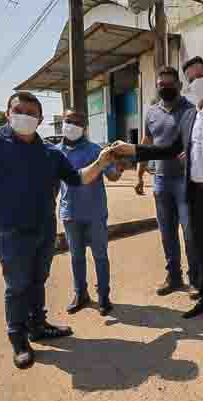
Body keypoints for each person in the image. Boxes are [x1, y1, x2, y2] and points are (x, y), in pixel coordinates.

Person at [0, 91, 116, 370]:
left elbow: (78, 179)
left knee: (37, 279)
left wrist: (102, 162)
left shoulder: (49, 152)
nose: (25, 117)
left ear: (41, 119)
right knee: (17, 285)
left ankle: (37, 325)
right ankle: (18, 337)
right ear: (8, 112)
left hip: (44, 228)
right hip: (10, 231)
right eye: (19, 110)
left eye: (32, 114)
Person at [110, 56, 203, 337]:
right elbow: (168, 149)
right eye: (191, 78)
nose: (196, 82)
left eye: (199, 75)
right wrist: (133, 151)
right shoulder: (191, 116)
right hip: (198, 196)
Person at [136, 66, 198, 297]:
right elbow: (146, 142)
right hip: (160, 180)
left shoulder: (190, 111)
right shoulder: (151, 112)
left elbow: (199, 140)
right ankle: (173, 277)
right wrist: (140, 174)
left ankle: (195, 280)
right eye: (161, 85)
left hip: (185, 181)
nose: (165, 88)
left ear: (179, 86)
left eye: (170, 84)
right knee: (166, 232)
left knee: (190, 231)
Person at [57, 110, 123, 317]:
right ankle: (81, 294)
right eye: (68, 121)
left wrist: (119, 166)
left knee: (100, 256)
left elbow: (112, 176)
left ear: (85, 127)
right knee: (76, 257)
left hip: (95, 213)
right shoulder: (55, 152)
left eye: (77, 123)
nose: (72, 126)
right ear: (62, 122)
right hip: (70, 214)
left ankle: (104, 296)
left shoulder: (96, 150)